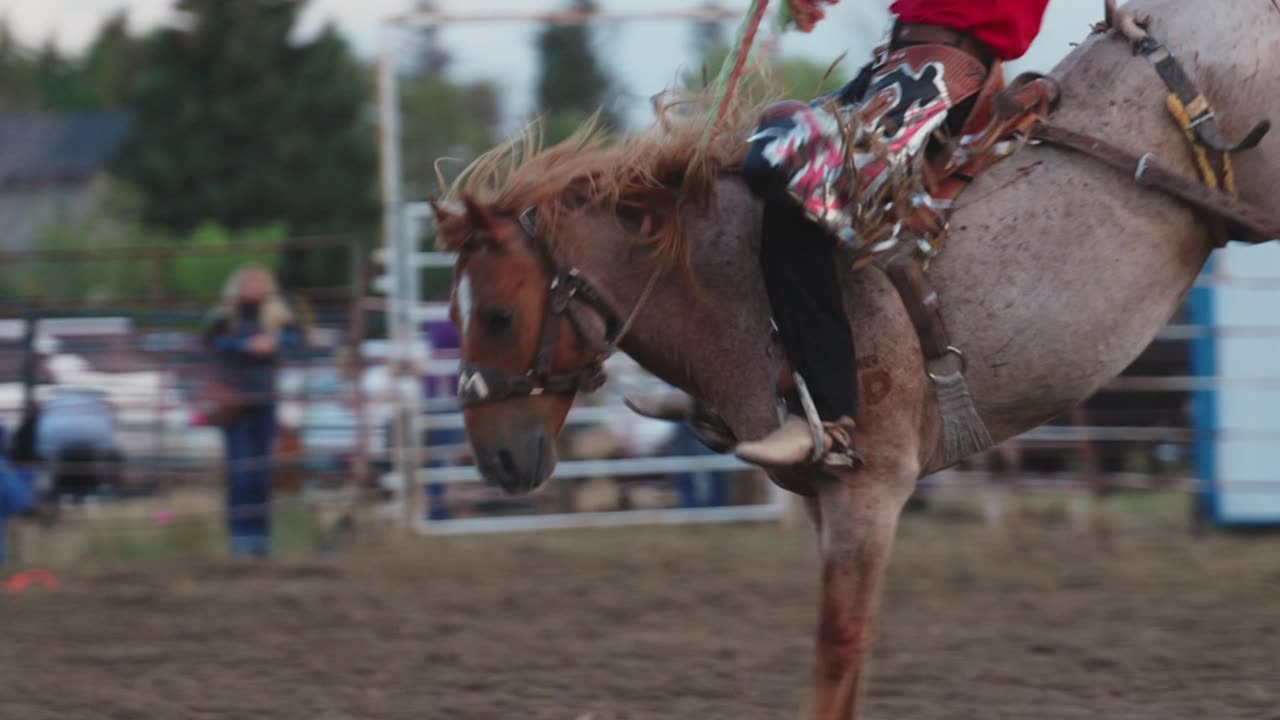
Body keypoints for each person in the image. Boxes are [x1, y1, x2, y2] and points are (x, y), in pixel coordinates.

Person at [633, 0, 1051, 468]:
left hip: (945, 76)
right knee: (759, 149)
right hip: (899, 67)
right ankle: (731, 385)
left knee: (783, 175)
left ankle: (830, 420)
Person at [203, 265, 303, 558]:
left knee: (261, 472)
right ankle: (241, 537)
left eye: (259, 282)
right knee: (240, 471)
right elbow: (211, 342)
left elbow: (298, 339)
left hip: (264, 399)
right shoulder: (225, 316)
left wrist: (275, 342)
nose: (254, 287)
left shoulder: (278, 316)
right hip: (235, 401)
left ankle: (259, 536)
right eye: (250, 281)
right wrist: (245, 345)